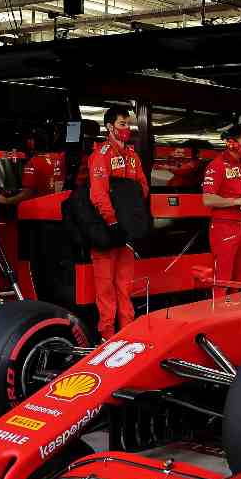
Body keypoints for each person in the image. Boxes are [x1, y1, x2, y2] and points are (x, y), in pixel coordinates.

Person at [88, 106, 148, 339]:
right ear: (110, 127)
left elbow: (143, 187)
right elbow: (98, 195)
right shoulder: (101, 155)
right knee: (106, 290)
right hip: (106, 229)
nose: (127, 129)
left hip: (126, 231)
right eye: (122, 124)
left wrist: (128, 215)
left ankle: (127, 337)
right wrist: (113, 221)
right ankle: (107, 338)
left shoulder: (133, 156)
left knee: (125, 287)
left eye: (128, 124)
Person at [202, 124, 241, 284]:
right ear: (231, 143)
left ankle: (240, 308)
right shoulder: (216, 166)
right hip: (225, 227)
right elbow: (207, 199)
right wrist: (236, 201)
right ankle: (220, 309)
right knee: (223, 278)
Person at [0, 131, 56, 206]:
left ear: (33, 142)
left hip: (36, 209)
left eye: (29, 139)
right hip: (51, 204)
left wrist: (6, 200)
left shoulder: (33, 162)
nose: (26, 142)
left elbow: (27, 194)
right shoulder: (53, 160)